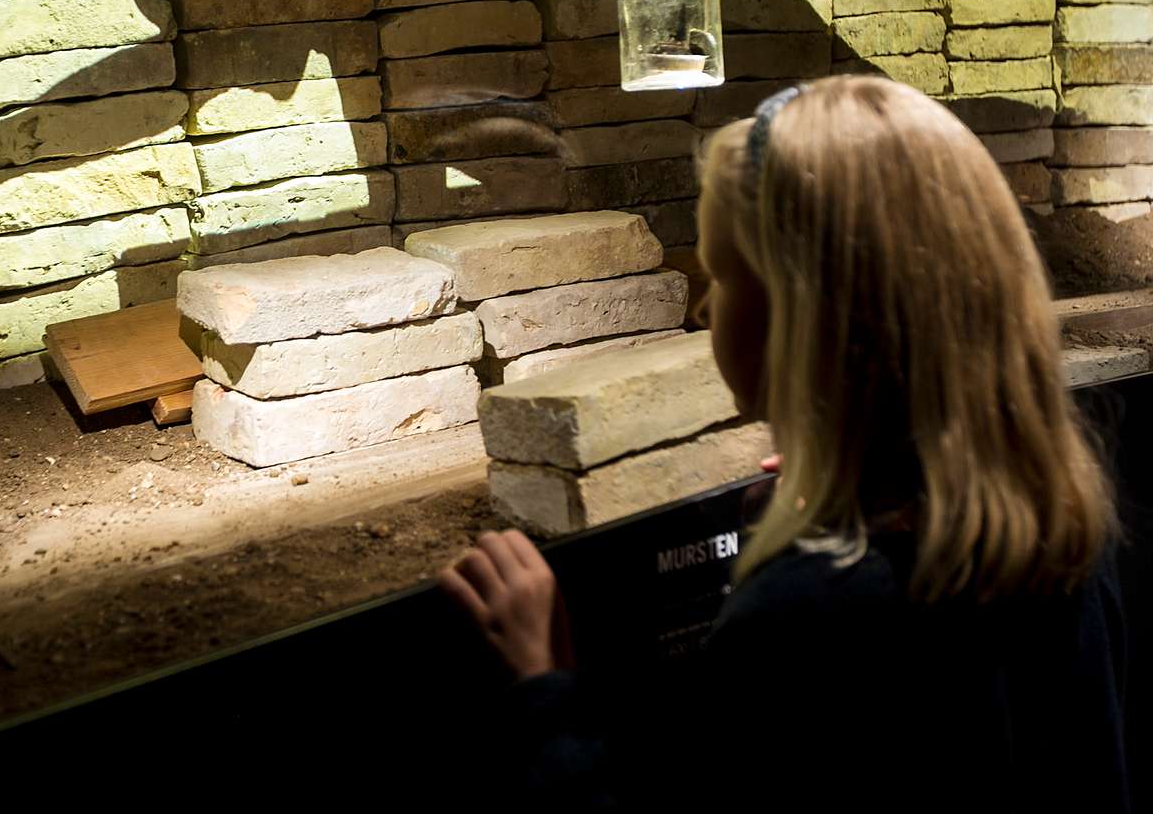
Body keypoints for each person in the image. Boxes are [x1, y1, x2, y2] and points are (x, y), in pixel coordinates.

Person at [439, 76, 1129, 811]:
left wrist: (543, 686)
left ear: (805, 312)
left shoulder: (810, 614)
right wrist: (832, 496)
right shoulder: (1061, 529)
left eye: (727, 277)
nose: (705, 307)